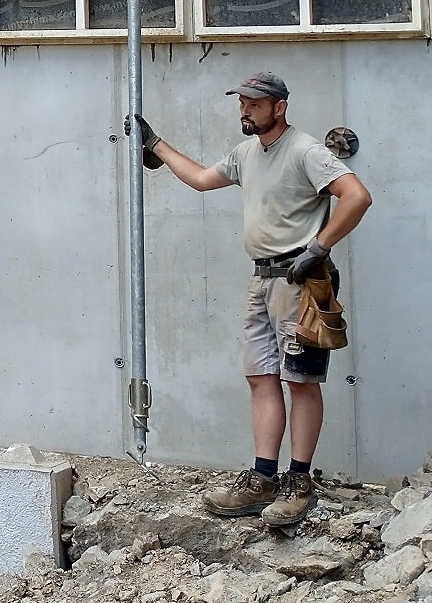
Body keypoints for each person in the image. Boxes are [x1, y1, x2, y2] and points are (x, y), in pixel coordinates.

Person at [133, 73, 372, 529]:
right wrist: (155, 143)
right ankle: (263, 479)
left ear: (279, 107)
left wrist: (319, 247)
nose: (245, 111)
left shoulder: (304, 151)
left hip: (300, 282)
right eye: (242, 103)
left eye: (254, 104)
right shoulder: (246, 153)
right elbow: (202, 179)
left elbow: (356, 197)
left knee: (300, 381)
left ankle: (298, 483)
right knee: (261, 378)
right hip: (262, 279)